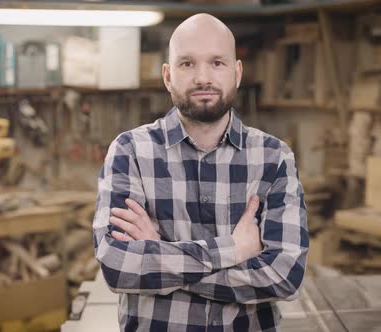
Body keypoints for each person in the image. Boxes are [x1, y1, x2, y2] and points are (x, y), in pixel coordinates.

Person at [93, 13, 308, 331]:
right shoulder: (130, 151)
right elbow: (118, 267)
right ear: (168, 76)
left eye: (217, 63)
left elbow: (284, 276)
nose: (202, 77)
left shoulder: (274, 157)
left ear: (236, 73)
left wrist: (160, 258)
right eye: (187, 64)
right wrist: (233, 249)